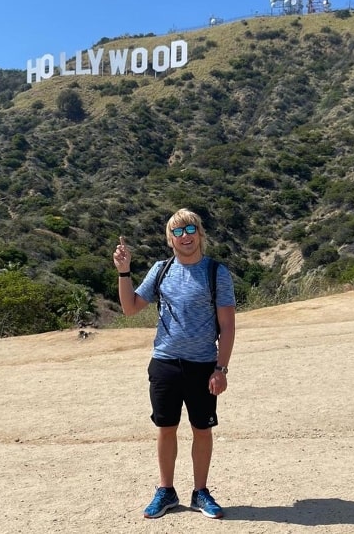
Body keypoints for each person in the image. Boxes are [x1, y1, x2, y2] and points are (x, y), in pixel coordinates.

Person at [113, 208, 236, 519]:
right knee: (166, 428)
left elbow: (228, 325)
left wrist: (220, 369)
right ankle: (166, 490)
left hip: (203, 365)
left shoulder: (216, 272)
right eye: (178, 232)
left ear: (200, 234)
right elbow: (130, 308)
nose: (185, 236)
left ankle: (200, 492)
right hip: (165, 363)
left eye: (190, 229)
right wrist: (124, 271)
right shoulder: (161, 270)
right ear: (170, 239)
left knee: (202, 430)